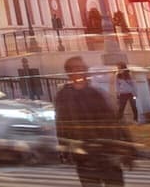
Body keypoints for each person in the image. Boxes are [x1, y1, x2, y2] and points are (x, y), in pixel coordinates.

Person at [56, 56, 133, 187]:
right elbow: (61, 124)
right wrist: (64, 150)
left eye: (82, 68)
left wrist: (126, 146)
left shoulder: (96, 93)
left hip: (106, 150)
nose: (80, 71)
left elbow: (114, 120)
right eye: (75, 68)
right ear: (69, 72)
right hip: (84, 154)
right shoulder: (64, 96)